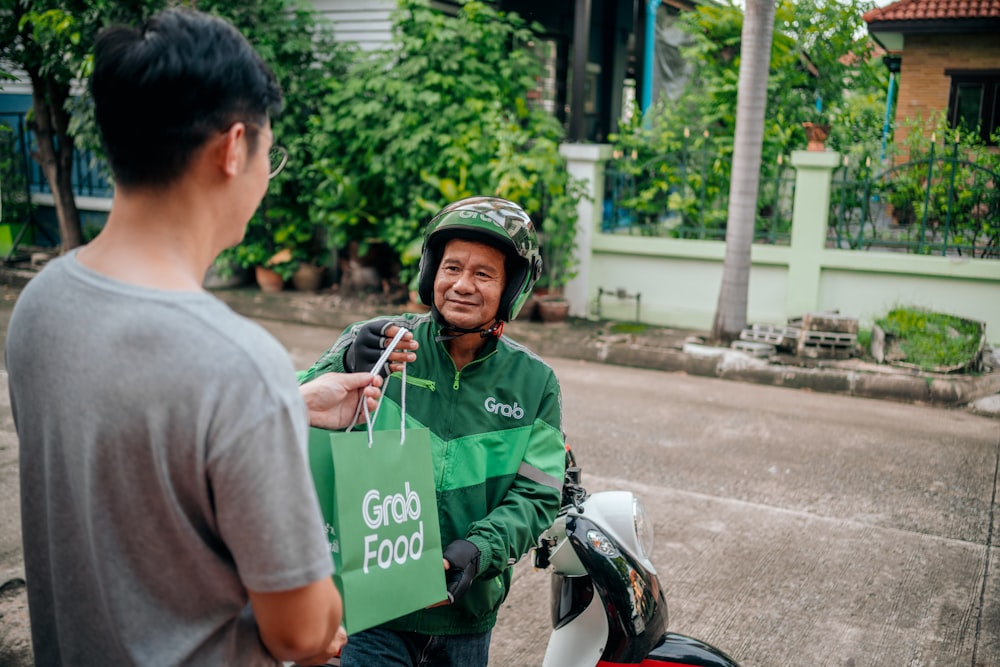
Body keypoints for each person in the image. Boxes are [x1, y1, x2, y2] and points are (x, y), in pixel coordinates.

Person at [5, 8, 382, 666]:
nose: (268, 173)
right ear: (234, 148)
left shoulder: (40, 305)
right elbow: (302, 630)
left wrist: (290, 404)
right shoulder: (238, 365)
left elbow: (128, 441)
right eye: (271, 151)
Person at [298, 196, 566, 666]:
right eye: (451, 268)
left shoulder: (535, 383)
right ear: (430, 274)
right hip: (374, 612)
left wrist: (480, 550)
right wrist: (342, 363)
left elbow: (538, 494)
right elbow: (286, 409)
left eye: (484, 274)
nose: (462, 285)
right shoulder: (380, 343)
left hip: (466, 616)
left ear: (511, 288)